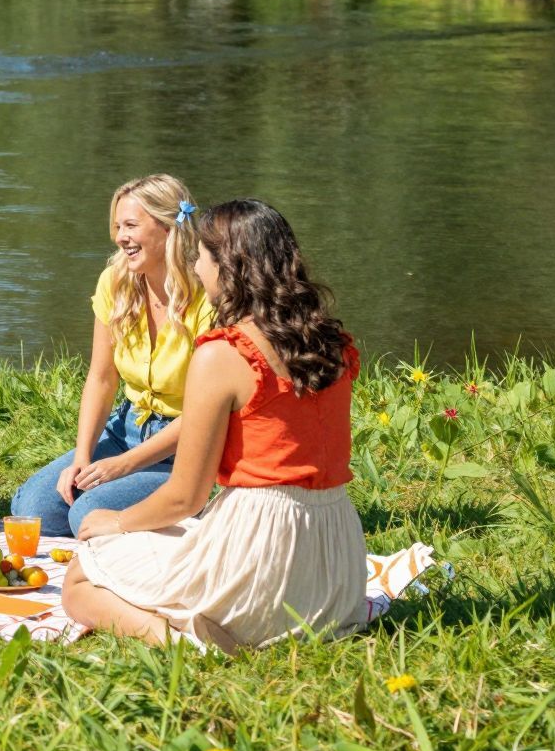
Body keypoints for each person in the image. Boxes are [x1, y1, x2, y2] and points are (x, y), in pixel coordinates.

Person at [61, 199, 368, 650]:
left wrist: (118, 522)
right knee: (165, 539)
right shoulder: (332, 344)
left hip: (261, 556)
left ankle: (186, 645)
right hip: (336, 572)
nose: (195, 267)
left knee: (81, 575)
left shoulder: (223, 354)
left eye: (202, 257)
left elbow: (185, 498)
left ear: (228, 266)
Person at [9, 174, 216, 537]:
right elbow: (102, 378)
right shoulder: (115, 282)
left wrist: (123, 466)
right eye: (118, 226)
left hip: (185, 447)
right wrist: (82, 456)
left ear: (167, 227)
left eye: (131, 225)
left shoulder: (207, 297)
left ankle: (191, 503)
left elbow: (204, 413)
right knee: (35, 510)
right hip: (126, 429)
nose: (120, 237)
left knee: (86, 513)